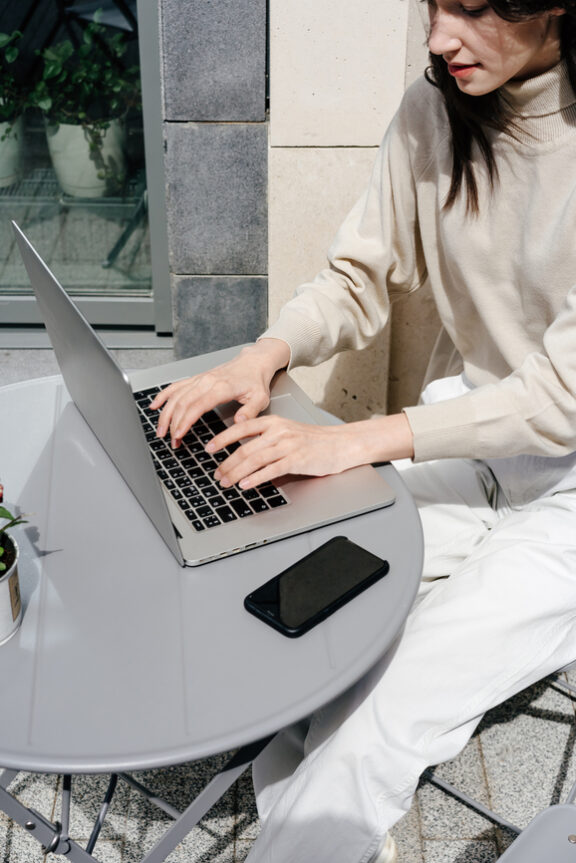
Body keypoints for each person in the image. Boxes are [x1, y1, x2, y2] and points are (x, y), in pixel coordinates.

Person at [151, 1, 576, 860]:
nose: (439, 38)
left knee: (401, 692)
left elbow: (562, 397)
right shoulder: (439, 106)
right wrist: (262, 356)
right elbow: (359, 275)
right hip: (471, 435)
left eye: (475, 9)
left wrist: (356, 438)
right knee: (302, 588)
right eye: (435, 5)